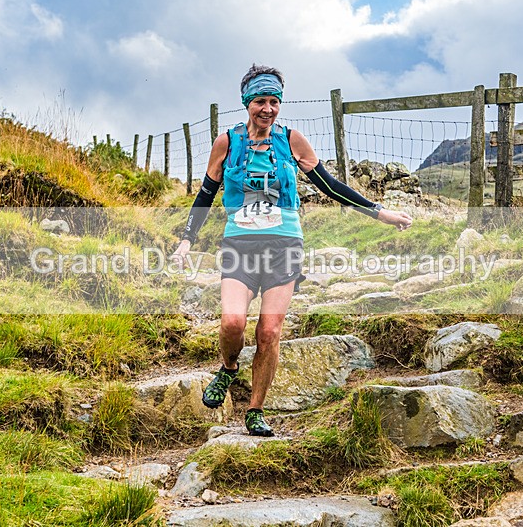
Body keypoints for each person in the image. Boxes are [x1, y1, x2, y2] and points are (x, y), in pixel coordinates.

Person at [173, 64, 413, 436]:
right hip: (240, 243)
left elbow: (331, 186)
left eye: (274, 102)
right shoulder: (227, 143)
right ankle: (229, 367)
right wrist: (187, 238)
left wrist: (381, 213)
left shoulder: (292, 140)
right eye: (260, 102)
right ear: (246, 103)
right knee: (232, 323)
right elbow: (205, 194)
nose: (267, 109)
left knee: (269, 331)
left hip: (285, 244)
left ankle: (255, 411)